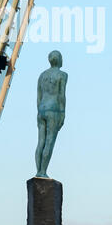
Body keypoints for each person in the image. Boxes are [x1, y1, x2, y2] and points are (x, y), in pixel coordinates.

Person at [35, 50, 68, 178]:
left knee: (40, 141)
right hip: (53, 109)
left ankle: (39, 171)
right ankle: (42, 171)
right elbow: (61, 95)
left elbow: (38, 97)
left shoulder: (42, 75)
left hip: (42, 109)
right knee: (49, 141)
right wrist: (63, 113)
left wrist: (39, 110)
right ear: (59, 59)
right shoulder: (62, 75)